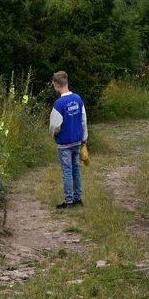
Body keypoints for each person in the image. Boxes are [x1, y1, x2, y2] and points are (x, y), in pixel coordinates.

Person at [49, 71, 87, 209]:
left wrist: (53, 134)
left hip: (64, 143)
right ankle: (78, 199)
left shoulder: (59, 104)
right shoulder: (78, 99)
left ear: (57, 85)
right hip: (77, 141)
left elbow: (55, 126)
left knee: (67, 171)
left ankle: (69, 201)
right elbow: (83, 120)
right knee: (76, 170)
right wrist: (84, 138)